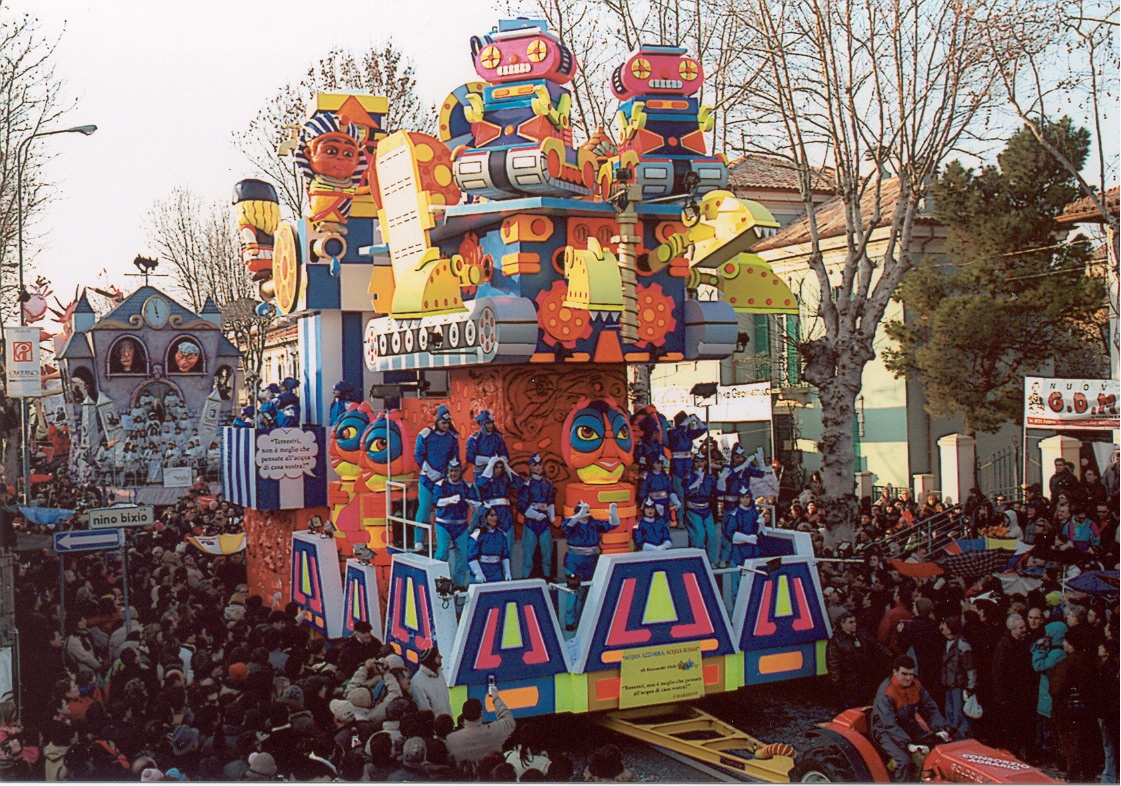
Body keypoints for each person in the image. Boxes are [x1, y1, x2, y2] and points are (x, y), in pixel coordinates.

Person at [871, 656, 950, 782]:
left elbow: (930, 708)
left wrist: (940, 728)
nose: (908, 678)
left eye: (911, 674)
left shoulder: (916, 685)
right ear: (895, 672)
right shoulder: (886, 693)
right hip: (885, 731)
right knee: (904, 761)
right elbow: (889, 724)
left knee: (938, 745)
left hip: (908, 724)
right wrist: (908, 745)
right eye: (904, 674)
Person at [1047, 623, 1104, 781]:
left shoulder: (1067, 664)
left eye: (1066, 641)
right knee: (1087, 744)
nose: (1064, 644)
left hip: (1068, 710)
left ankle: (1073, 777)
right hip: (1087, 710)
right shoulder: (1092, 661)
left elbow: (1055, 689)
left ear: (1072, 644)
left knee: (1071, 746)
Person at [562, 502, 619, 631]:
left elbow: (611, 525)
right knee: (573, 591)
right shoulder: (572, 524)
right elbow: (565, 527)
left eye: (586, 512)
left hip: (591, 561)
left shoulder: (594, 524)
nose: (585, 515)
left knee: (587, 592)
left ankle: (584, 620)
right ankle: (569, 621)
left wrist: (614, 515)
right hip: (574, 561)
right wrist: (577, 517)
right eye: (582, 512)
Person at [991, 612, 1036, 761]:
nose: (1024, 629)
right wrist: (1001, 695)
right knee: (1013, 728)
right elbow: (998, 671)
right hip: (1011, 694)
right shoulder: (1004, 646)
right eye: (1021, 627)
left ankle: (1027, 755)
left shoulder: (1026, 643)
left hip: (1025, 693)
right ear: (1012, 629)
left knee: (1026, 727)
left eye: (1024, 627)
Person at [431, 458, 480, 587]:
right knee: (442, 552)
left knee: (463, 555)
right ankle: (436, 579)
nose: (453, 473)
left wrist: (474, 505)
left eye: (456, 470)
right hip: (443, 524)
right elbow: (436, 502)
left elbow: (476, 503)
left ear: (460, 471)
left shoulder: (467, 486)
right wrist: (448, 500)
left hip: (461, 525)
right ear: (448, 471)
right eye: (451, 470)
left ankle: (458, 584)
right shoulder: (440, 484)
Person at [445, 682, 516, 769]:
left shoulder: (451, 740)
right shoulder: (496, 731)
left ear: (464, 716)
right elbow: (509, 720)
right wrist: (496, 698)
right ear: (481, 714)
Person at [415, 405, 461, 539]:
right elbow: (418, 455)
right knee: (424, 509)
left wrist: (450, 475)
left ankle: (445, 539)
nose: (446, 425)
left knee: (447, 509)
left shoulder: (452, 438)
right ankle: (419, 539)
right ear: (437, 421)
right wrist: (430, 472)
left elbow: (455, 458)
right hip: (427, 479)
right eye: (443, 422)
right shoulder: (426, 434)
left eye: (448, 423)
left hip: (444, 480)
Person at [827, 612, 890, 710]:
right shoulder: (836, 642)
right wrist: (838, 686)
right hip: (849, 683)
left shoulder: (861, 634)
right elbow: (833, 665)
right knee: (852, 709)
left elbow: (877, 645)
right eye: (851, 622)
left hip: (865, 680)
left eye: (855, 622)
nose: (854, 624)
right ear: (842, 624)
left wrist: (891, 655)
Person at [1030, 620, 1067, 764]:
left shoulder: (1057, 653)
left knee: (1048, 733)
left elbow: (1040, 665)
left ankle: (1052, 759)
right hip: (1046, 700)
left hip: (1048, 702)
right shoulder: (1056, 651)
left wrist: (1040, 650)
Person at [475, 455, 519, 566]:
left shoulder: (505, 479)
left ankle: (506, 575)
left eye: (500, 467)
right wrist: (489, 466)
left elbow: (519, 483)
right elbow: (478, 485)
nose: (499, 470)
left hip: (506, 516)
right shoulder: (485, 480)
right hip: (492, 515)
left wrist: (507, 468)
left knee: (508, 547)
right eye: (496, 467)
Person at [517, 454, 555, 580]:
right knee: (528, 552)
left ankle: (547, 577)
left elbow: (550, 501)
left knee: (547, 551)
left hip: (544, 522)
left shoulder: (547, 484)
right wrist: (534, 514)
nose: (538, 467)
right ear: (531, 467)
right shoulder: (527, 484)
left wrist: (551, 515)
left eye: (540, 464)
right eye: (535, 465)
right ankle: (525, 578)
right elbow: (521, 504)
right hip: (531, 523)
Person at [939, 617, 976, 739]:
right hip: (948, 684)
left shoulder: (962, 646)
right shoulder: (946, 642)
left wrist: (970, 686)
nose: (942, 628)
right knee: (949, 711)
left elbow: (970, 668)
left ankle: (963, 738)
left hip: (958, 685)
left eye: (945, 625)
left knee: (959, 714)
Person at [666, 412, 707, 520]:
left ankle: (688, 518)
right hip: (677, 465)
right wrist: (687, 421)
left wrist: (697, 419)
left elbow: (703, 429)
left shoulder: (688, 434)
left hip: (688, 463)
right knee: (679, 492)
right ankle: (679, 519)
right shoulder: (672, 432)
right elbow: (677, 432)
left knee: (689, 491)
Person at [725, 487, 762, 602]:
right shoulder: (735, 514)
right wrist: (746, 538)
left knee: (753, 584)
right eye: (743, 497)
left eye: (748, 497)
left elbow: (759, 532)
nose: (745, 500)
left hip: (752, 551)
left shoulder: (755, 513)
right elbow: (729, 533)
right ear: (739, 499)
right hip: (738, 553)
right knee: (737, 586)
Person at [682, 452, 718, 563]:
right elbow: (686, 493)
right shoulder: (689, 477)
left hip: (706, 509)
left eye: (702, 461)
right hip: (693, 509)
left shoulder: (710, 477)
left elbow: (716, 492)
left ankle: (711, 561)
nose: (699, 464)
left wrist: (722, 481)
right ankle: (697, 561)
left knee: (712, 535)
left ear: (706, 462)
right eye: (697, 461)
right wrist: (696, 483)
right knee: (700, 535)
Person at [468, 505, 512, 584]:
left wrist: (507, 572)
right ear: (484, 517)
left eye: (495, 515)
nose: (495, 518)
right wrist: (478, 573)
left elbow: (505, 555)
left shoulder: (501, 534)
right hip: (482, 572)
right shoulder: (477, 535)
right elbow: (471, 557)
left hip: (497, 573)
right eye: (491, 515)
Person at [410, 647, 452, 719]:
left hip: (448, 723)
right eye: (437, 656)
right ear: (431, 659)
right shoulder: (417, 682)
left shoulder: (439, 674)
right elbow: (424, 710)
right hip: (436, 727)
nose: (441, 657)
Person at [465, 410, 509, 476]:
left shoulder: (497, 438)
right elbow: (469, 456)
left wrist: (499, 460)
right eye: (488, 423)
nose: (491, 425)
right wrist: (488, 460)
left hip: (496, 474)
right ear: (483, 424)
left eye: (492, 423)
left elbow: (505, 454)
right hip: (480, 473)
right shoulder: (475, 438)